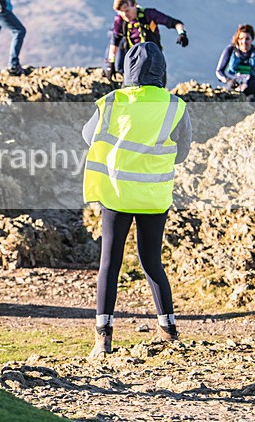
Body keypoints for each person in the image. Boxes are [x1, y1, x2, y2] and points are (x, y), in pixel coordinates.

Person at [83, 42, 192, 357]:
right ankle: (168, 329)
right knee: (151, 262)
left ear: (128, 70)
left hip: (116, 196)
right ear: (162, 70)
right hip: (154, 198)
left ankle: (103, 338)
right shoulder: (175, 106)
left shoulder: (112, 102)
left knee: (110, 264)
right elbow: (181, 153)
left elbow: (88, 137)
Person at [105, 0, 188, 83]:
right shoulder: (119, 20)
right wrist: (110, 63)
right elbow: (115, 41)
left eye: (127, 10)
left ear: (135, 5)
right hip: (133, 60)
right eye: (121, 12)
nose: (125, 15)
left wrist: (182, 33)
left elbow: (175, 22)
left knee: (158, 84)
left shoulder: (150, 15)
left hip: (154, 58)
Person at [215, 23, 255, 101]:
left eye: (247, 39)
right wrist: (228, 80)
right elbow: (219, 71)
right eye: (241, 38)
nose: (244, 42)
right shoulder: (230, 50)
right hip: (233, 89)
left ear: (252, 39)